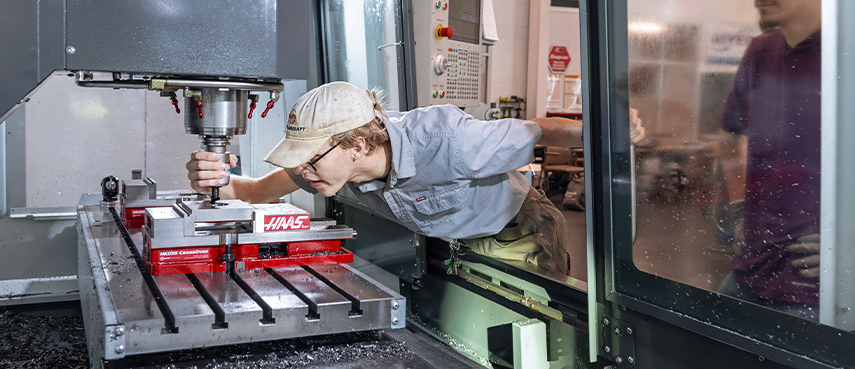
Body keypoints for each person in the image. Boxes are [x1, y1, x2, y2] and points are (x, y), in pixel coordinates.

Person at [187, 82, 644, 275]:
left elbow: (540, 129)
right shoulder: (326, 167)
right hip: (452, 240)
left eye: (309, 160)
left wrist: (604, 131)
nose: (301, 171)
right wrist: (215, 178)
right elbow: (253, 192)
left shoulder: (451, 140)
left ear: (357, 145)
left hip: (518, 230)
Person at [717, 0, 821, 320]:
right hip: (752, 270)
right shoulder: (760, 52)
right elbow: (732, 136)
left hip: (818, 291)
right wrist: (737, 206)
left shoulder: (846, 53)